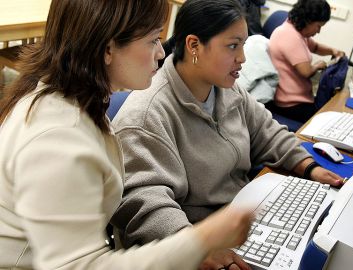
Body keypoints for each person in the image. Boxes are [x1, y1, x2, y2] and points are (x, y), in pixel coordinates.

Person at [0, 0, 253, 269]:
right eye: (153, 39)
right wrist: (202, 240)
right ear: (108, 48)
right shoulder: (59, 138)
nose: (160, 52)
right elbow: (78, 266)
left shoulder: (75, 99)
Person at [110, 0, 344, 269]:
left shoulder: (226, 88)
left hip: (238, 219)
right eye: (233, 46)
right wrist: (196, 247)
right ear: (194, 46)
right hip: (202, 239)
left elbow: (266, 131)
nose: (243, 57)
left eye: (244, 44)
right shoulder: (147, 115)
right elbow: (145, 201)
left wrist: (308, 166)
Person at [268, 0, 346, 123]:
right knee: (330, 119)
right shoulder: (289, 36)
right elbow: (306, 72)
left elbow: (315, 47)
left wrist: (333, 51)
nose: (319, 31)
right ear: (308, 20)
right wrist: (317, 65)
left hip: (299, 99)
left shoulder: (296, 31)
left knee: (331, 111)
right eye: (318, 26)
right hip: (291, 104)